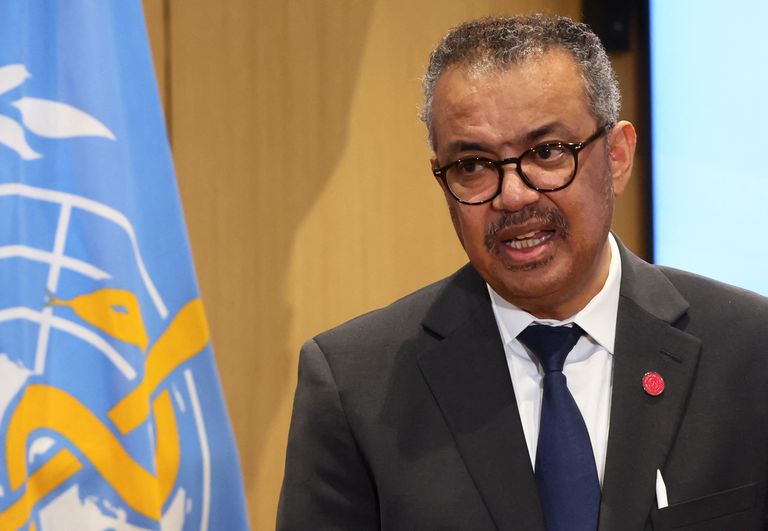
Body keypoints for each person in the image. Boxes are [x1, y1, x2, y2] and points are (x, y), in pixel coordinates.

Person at [277, 14, 768, 531]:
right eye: (472, 165)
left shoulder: (749, 351)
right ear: (442, 180)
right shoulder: (356, 386)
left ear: (618, 156)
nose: (513, 195)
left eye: (547, 152)